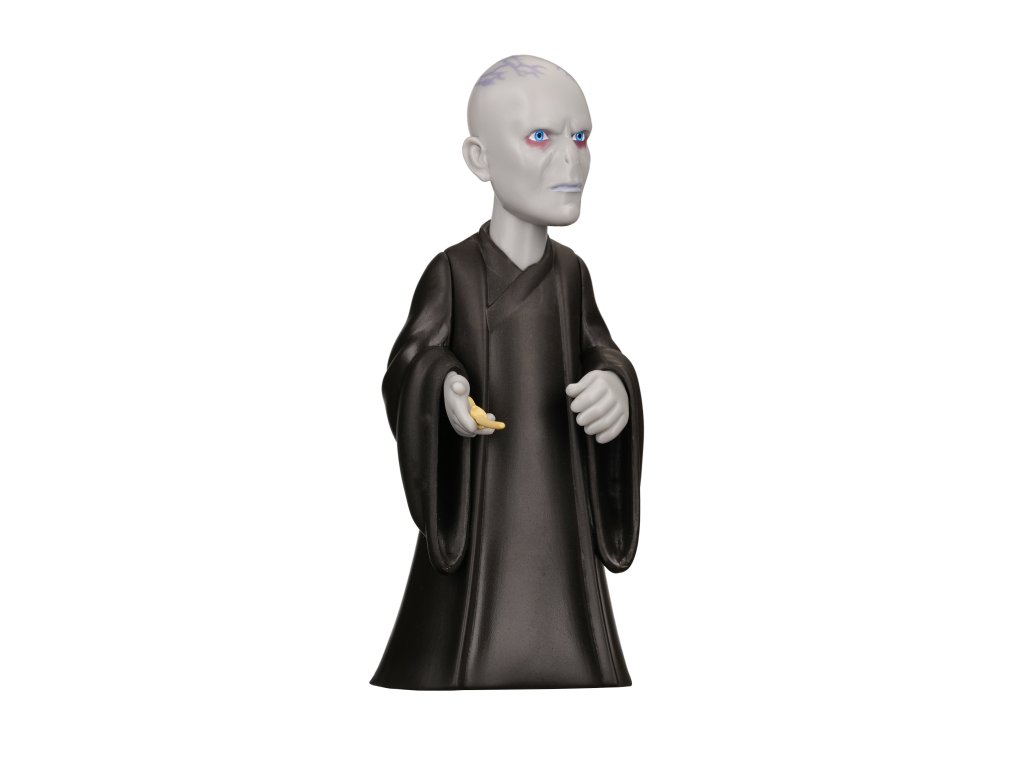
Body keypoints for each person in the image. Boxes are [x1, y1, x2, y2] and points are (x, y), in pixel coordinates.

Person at [371, 56, 643, 690]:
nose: (571, 160)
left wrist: (615, 386)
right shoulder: (453, 272)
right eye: (540, 137)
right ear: (480, 158)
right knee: (471, 629)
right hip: (483, 512)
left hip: (559, 502)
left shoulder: (572, 275)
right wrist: (441, 387)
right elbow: (407, 362)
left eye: (581, 137)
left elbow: (601, 350)